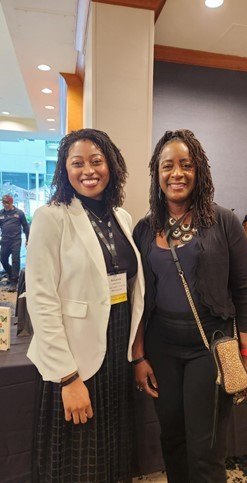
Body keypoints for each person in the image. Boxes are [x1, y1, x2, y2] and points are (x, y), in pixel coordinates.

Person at [132, 129, 247, 483]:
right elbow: (139, 300)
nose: (177, 173)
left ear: (199, 171)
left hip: (210, 346)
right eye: (167, 166)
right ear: (157, 175)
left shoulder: (224, 222)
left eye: (186, 165)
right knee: (172, 439)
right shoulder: (145, 229)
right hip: (162, 348)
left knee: (206, 449)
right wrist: (140, 357)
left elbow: (243, 294)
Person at [26, 128, 145, 483]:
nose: (88, 170)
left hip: (117, 345)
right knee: (80, 457)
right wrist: (67, 377)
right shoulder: (52, 217)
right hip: (76, 354)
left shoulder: (121, 216)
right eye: (77, 163)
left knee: (113, 447)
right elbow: (41, 299)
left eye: (97, 160)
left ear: (111, 166)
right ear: (65, 169)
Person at [0, 194, 29, 291]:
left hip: (15, 240)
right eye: (3, 202)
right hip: (4, 240)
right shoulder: (1, 213)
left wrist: (28, 239)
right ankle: (11, 273)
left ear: (11, 202)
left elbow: (25, 227)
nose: (5, 204)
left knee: (15, 260)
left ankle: (14, 282)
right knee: (3, 260)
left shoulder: (19, 213)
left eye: (7, 202)